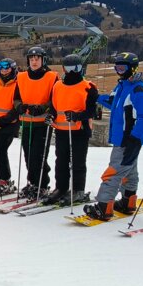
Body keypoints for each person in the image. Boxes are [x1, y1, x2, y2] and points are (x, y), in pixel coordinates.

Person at [83, 52, 143, 220]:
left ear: (132, 68)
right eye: (117, 68)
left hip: (128, 139)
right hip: (123, 138)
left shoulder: (138, 89)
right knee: (129, 171)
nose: (119, 71)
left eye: (122, 68)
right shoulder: (122, 86)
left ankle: (103, 206)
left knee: (113, 172)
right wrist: (96, 97)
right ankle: (128, 202)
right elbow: (113, 103)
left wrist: (134, 138)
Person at [41, 54, 98, 206]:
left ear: (80, 68)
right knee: (61, 161)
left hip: (80, 130)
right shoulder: (57, 86)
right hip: (61, 129)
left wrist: (77, 116)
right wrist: (51, 116)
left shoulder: (88, 87)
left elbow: (92, 111)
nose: (72, 71)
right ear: (64, 69)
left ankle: (78, 190)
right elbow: (54, 106)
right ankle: (61, 188)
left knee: (78, 161)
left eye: (75, 68)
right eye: (68, 68)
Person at [14, 46, 58, 198]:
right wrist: (19, 106)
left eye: (37, 59)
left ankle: (42, 184)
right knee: (28, 156)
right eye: (31, 59)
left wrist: (43, 107)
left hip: (43, 123)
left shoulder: (51, 77)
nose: (34, 61)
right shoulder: (21, 77)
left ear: (43, 60)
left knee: (38, 156)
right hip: (27, 122)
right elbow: (16, 98)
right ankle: (33, 182)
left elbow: (55, 98)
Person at [0, 57, 21, 195]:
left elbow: (17, 108)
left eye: (7, 68)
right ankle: (1, 179)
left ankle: (5, 180)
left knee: (1, 149)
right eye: (1, 68)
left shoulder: (17, 85)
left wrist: (3, 120)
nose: (4, 70)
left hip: (10, 123)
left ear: (12, 68)